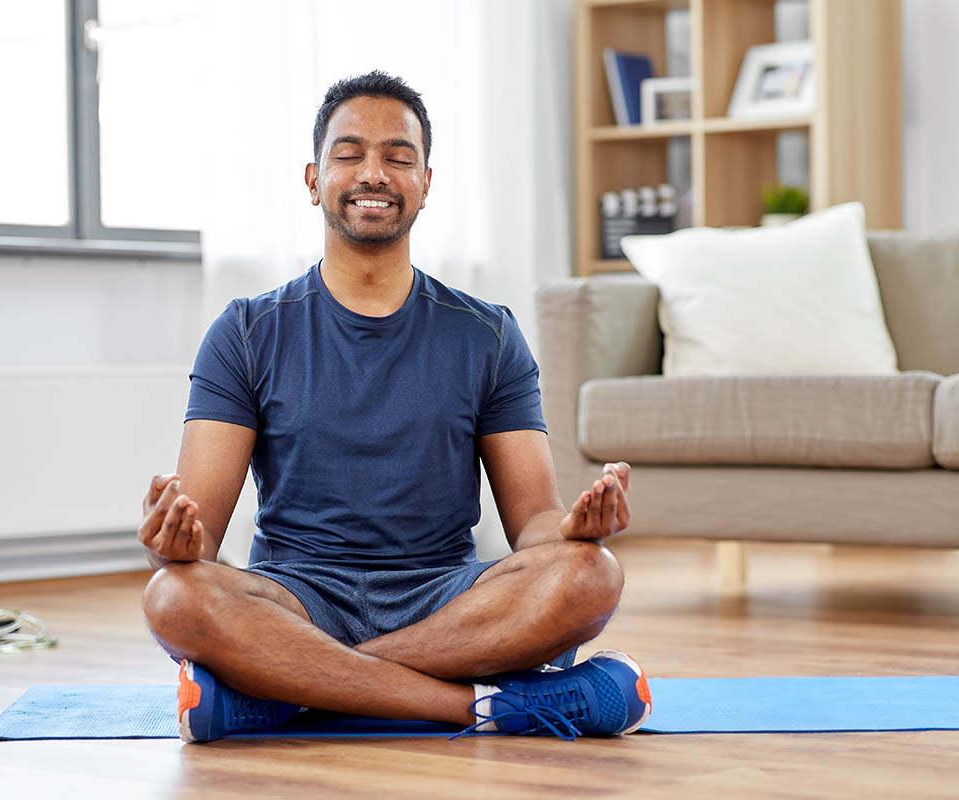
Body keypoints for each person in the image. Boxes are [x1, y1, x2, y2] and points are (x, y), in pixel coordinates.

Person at [139, 71, 650, 743]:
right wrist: (171, 541)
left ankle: (287, 694)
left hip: (444, 598)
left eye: (397, 157)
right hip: (295, 598)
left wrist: (576, 530)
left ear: (426, 183)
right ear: (313, 179)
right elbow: (198, 539)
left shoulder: (488, 334)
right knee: (174, 595)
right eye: (349, 154)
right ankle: (487, 706)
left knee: (591, 576)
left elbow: (532, 522)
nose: (373, 173)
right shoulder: (246, 332)